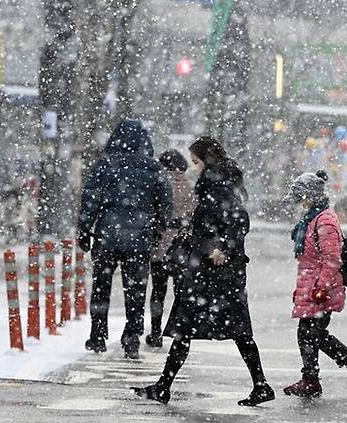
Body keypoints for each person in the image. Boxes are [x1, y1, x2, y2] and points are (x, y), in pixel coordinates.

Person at [131, 136, 274, 406]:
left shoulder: (214, 183)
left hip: (214, 272)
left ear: (204, 159)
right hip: (217, 272)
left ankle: (166, 386)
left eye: (195, 160)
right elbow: (223, 221)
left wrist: (219, 248)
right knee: (225, 330)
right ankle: (166, 385)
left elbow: (237, 220)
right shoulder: (219, 181)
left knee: (197, 328)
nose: (193, 166)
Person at [78, 119, 173, 359]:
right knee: (136, 290)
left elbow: (90, 199)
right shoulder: (153, 168)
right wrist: (157, 229)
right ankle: (132, 336)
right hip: (140, 238)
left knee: (101, 286)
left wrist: (84, 229)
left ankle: (98, 335)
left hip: (107, 235)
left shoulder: (105, 165)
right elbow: (165, 203)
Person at [281, 170, 347, 399]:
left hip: (321, 288)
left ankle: (318, 377)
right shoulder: (313, 218)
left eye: (300, 198)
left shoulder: (324, 220)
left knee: (309, 333)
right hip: (312, 285)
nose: (299, 204)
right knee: (311, 334)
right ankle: (346, 364)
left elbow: (332, 259)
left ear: (309, 196)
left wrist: (321, 287)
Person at [146, 149, 195, 349]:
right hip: (181, 246)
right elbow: (194, 215)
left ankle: (155, 332)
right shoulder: (191, 187)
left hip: (159, 245)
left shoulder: (157, 185)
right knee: (179, 291)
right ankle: (178, 331)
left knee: (158, 290)